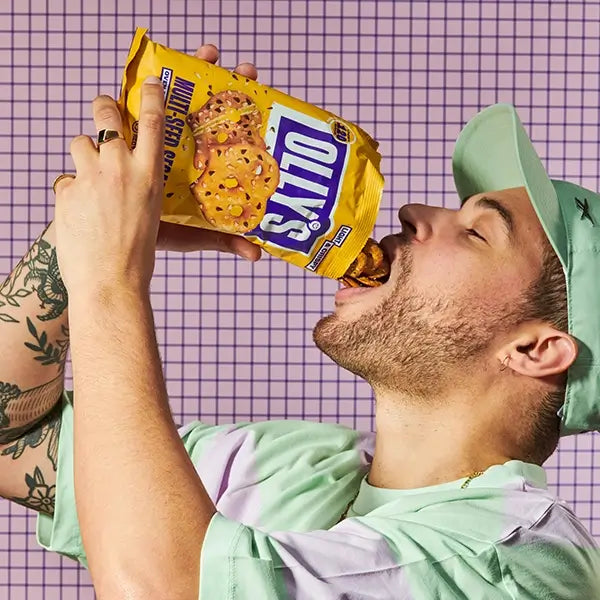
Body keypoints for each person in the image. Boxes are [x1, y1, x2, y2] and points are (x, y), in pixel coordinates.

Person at [0, 43, 599, 600]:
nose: (415, 210)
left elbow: (165, 587)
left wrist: (110, 277)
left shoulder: (517, 558)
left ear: (536, 349)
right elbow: (13, 438)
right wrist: (95, 229)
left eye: (476, 231)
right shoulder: (298, 465)